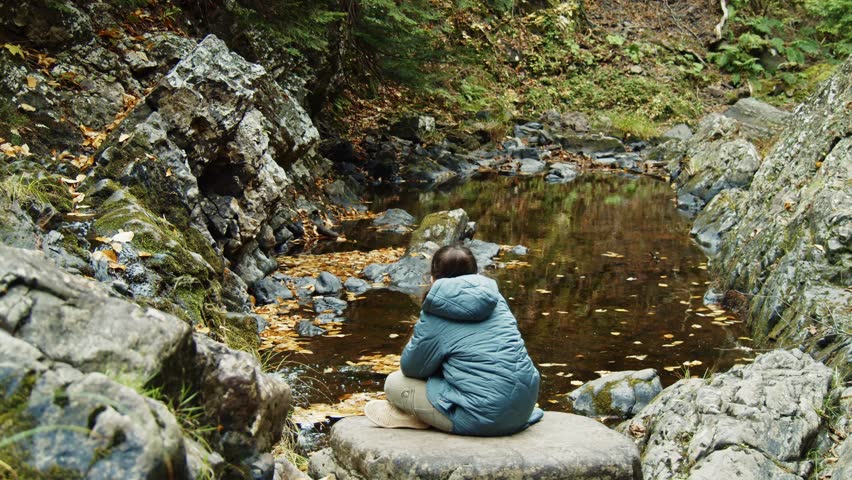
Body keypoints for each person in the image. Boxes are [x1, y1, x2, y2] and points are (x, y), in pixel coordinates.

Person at [365, 245, 544, 436]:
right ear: (475, 273)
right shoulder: (495, 299)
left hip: (483, 418)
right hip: (524, 407)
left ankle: (419, 417)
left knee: (393, 383)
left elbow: (412, 368)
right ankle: (426, 415)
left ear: (433, 277)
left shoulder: (436, 310)